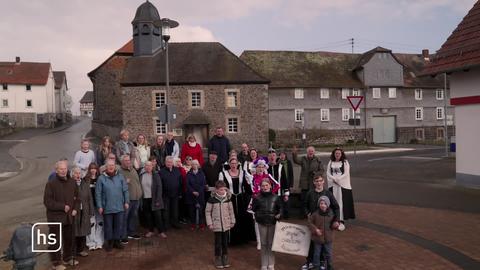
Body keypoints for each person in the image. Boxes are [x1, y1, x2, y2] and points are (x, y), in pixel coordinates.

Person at [43, 161, 79, 269]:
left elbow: (77, 198)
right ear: (56, 170)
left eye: (65, 169)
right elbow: (47, 202)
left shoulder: (72, 182)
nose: (63, 171)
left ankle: (67, 258)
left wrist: (75, 209)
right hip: (55, 217)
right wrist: (62, 206)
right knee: (55, 241)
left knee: (68, 239)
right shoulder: (51, 184)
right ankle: (56, 262)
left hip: (69, 217)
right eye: (61, 169)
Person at [302, 173, 340, 270]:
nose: (319, 183)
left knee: (323, 243)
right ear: (314, 182)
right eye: (316, 181)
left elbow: (336, 207)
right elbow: (305, 205)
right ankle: (309, 261)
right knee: (311, 243)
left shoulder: (328, 193)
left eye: (320, 181)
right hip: (313, 221)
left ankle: (322, 262)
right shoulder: (310, 193)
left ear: (323, 181)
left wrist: (336, 220)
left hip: (325, 222)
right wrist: (307, 213)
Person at [95, 160, 129, 252]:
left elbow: (125, 190)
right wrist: (100, 206)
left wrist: (126, 201)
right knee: (108, 226)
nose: (111, 167)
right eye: (109, 165)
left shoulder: (120, 176)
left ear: (115, 166)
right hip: (107, 207)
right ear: (106, 167)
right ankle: (109, 242)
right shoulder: (101, 178)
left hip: (119, 206)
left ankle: (117, 241)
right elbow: (98, 193)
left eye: (112, 165)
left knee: (119, 225)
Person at [218, 157, 254, 245]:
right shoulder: (223, 173)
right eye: (232, 163)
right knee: (230, 218)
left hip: (241, 199)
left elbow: (247, 186)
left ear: (238, 164)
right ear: (229, 164)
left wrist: (253, 193)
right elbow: (220, 186)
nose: (233, 165)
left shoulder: (242, 173)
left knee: (242, 218)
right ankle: (230, 240)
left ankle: (243, 239)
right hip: (229, 199)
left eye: (235, 163)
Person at [252, 179, 282, 270]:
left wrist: (279, 214)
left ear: (270, 186)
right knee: (264, 244)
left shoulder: (276, 197)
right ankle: (264, 264)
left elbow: (280, 208)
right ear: (260, 187)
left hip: (272, 223)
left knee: (271, 244)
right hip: (262, 223)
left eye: (266, 185)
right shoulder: (257, 197)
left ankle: (271, 263)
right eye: (263, 186)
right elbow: (254, 209)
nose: (265, 187)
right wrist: (258, 216)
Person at [206, 181, 236, 269]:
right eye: (220, 190)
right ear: (216, 190)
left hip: (226, 224)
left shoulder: (228, 199)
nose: (222, 191)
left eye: (223, 189)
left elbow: (231, 211)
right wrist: (210, 223)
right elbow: (207, 212)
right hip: (216, 225)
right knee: (218, 243)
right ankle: (218, 258)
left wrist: (232, 221)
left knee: (225, 242)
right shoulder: (211, 200)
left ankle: (225, 257)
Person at [326, 148, 355, 230]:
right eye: (336, 153)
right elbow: (328, 172)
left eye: (339, 153)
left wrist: (338, 179)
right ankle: (334, 220)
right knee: (333, 203)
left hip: (342, 186)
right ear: (334, 154)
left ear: (341, 154)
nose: (337, 155)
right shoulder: (330, 162)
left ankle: (341, 221)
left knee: (341, 203)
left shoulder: (345, 162)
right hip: (333, 185)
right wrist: (333, 179)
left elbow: (346, 173)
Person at [308, 196, 340, 270]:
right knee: (316, 254)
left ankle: (330, 266)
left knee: (328, 254)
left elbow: (334, 224)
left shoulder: (331, 214)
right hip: (317, 238)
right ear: (319, 204)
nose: (323, 205)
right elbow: (309, 223)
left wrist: (336, 225)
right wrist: (315, 230)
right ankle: (316, 266)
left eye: (325, 204)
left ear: (328, 205)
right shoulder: (315, 214)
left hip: (328, 238)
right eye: (321, 203)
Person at [292, 146, 324, 215]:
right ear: (307, 152)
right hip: (304, 183)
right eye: (309, 151)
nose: (310, 152)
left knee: (313, 200)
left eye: (312, 151)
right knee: (304, 200)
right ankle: (303, 214)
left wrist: (315, 174)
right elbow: (296, 160)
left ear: (314, 152)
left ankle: (313, 214)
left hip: (313, 183)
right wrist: (294, 153)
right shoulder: (303, 159)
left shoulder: (318, 160)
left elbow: (322, 170)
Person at [118, 155, 142, 242]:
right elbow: (116, 186)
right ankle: (123, 235)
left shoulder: (133, 169)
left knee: (133, 216)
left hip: (136, 198)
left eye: (128, 160)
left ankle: (131, 232)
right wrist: (124, 182)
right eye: (126, 160)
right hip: (127, 200)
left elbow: (137, 182)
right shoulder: (119, 172)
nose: (128, 162)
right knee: (124, 217)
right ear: (122, 162)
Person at [140, 161, 167, 238]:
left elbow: (159, 188)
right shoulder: (141, 175)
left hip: (154, 199)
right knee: (148, 216)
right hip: (145, 198)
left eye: (150, 166)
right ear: (144, 167)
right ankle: (151, 231)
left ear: (152, 167)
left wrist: (158, 200)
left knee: (158, 216)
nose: (148, 167)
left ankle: (161, 231)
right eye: (146, 165)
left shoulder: (156, 175)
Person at [72, 167, 94, 258]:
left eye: (79, 173)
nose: (78, 175)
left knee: (83, 230)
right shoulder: (70, 184)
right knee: (74, 231)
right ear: (72, 174)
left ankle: (81, 250)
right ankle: (72, 252)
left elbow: (89, 198)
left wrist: (91, 211)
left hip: (84, 210)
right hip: (74, 211)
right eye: (76, 173)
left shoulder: (85, 184)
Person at [159, 156, 183, 229]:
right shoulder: (161, 172)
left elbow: (180, 182)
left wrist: (180, 192)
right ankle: (166, 225)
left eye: (170, 162)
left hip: (175, 194)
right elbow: (160, 184)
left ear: (173, 163)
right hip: (165, 194)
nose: (169, 163)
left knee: (175, 210)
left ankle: (175, 223)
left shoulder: (177, 170)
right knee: (166, 210)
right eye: (168, 162)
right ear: (165, 162)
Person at [84, 163, 104, 250]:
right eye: (91, 168)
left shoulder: (100, 178)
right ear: (89, 169)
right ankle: (90, 243)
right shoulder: (85, 179)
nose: (93, 170)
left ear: (97, 170)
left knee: (100, 223)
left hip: (98, 205)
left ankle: (99, 241)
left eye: (95, 168)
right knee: (91, 224)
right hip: (89, 206)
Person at [267, 150, 290, 219]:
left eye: (273, 155)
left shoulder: (280, 167)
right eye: (270, 156)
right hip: (268, 194)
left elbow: (284, 180)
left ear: (276, 157)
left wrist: (286, 193)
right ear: (268, 157)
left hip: (279, 194)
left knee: (278, 212)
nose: (272, 157)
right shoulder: (265, 168)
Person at [187, 160, 207, 231]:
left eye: (196, 164)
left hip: (200, 195)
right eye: (193, 164)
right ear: (191, 165)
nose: (195, 165)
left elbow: (203, 184)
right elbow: (187, 184)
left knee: (201, 211)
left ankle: (201, 224)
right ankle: (193, 224)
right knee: (192, 211)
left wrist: (199, 191)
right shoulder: (188, 174)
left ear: (198, 165)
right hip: (191, 195)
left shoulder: (202, 173)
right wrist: (193, 191)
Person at [278, 150, 294, 218]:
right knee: (280, 199)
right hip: (279, 183)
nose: (282, 156)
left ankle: (287, 214)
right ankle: (280, 213)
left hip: (287, 183)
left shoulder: (288, 162)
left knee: (286, 198)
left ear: (285, 155)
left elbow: (291, 174)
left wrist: (291, 184)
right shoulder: (277, 162)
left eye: (283, 155)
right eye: (281, 155)